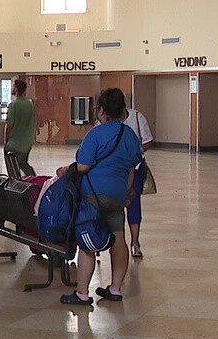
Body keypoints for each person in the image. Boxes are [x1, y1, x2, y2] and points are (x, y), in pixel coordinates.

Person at [59, 88, 143, 306]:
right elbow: (132, 168)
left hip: (93, 195)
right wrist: (125, 193)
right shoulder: (129, 135)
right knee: (118, 238)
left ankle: (82, 293)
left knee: (87, 240)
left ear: (102, 110)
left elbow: (84, 166)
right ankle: (115, 289)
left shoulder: (96, 134)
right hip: (117, 195)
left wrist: (65, 171)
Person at [121, 100, 154, 259]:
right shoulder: (104, 121)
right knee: (113, 207)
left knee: (133, 204)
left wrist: (137, 151)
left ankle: (135, 242)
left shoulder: (136, 117)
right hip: (115, 170)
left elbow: (148, 140)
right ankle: (117, 242)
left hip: (135, 167)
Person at [5, 79, 37, 178]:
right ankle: (34, 180)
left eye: (12, 86)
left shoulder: (13, 105)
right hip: (26, 143)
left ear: (16, 89)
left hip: (14, 144)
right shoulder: (30, 105)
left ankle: (14, 187)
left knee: (12, 169)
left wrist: (5, 142)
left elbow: (9, 125)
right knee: (23, 163)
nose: (11, 88)